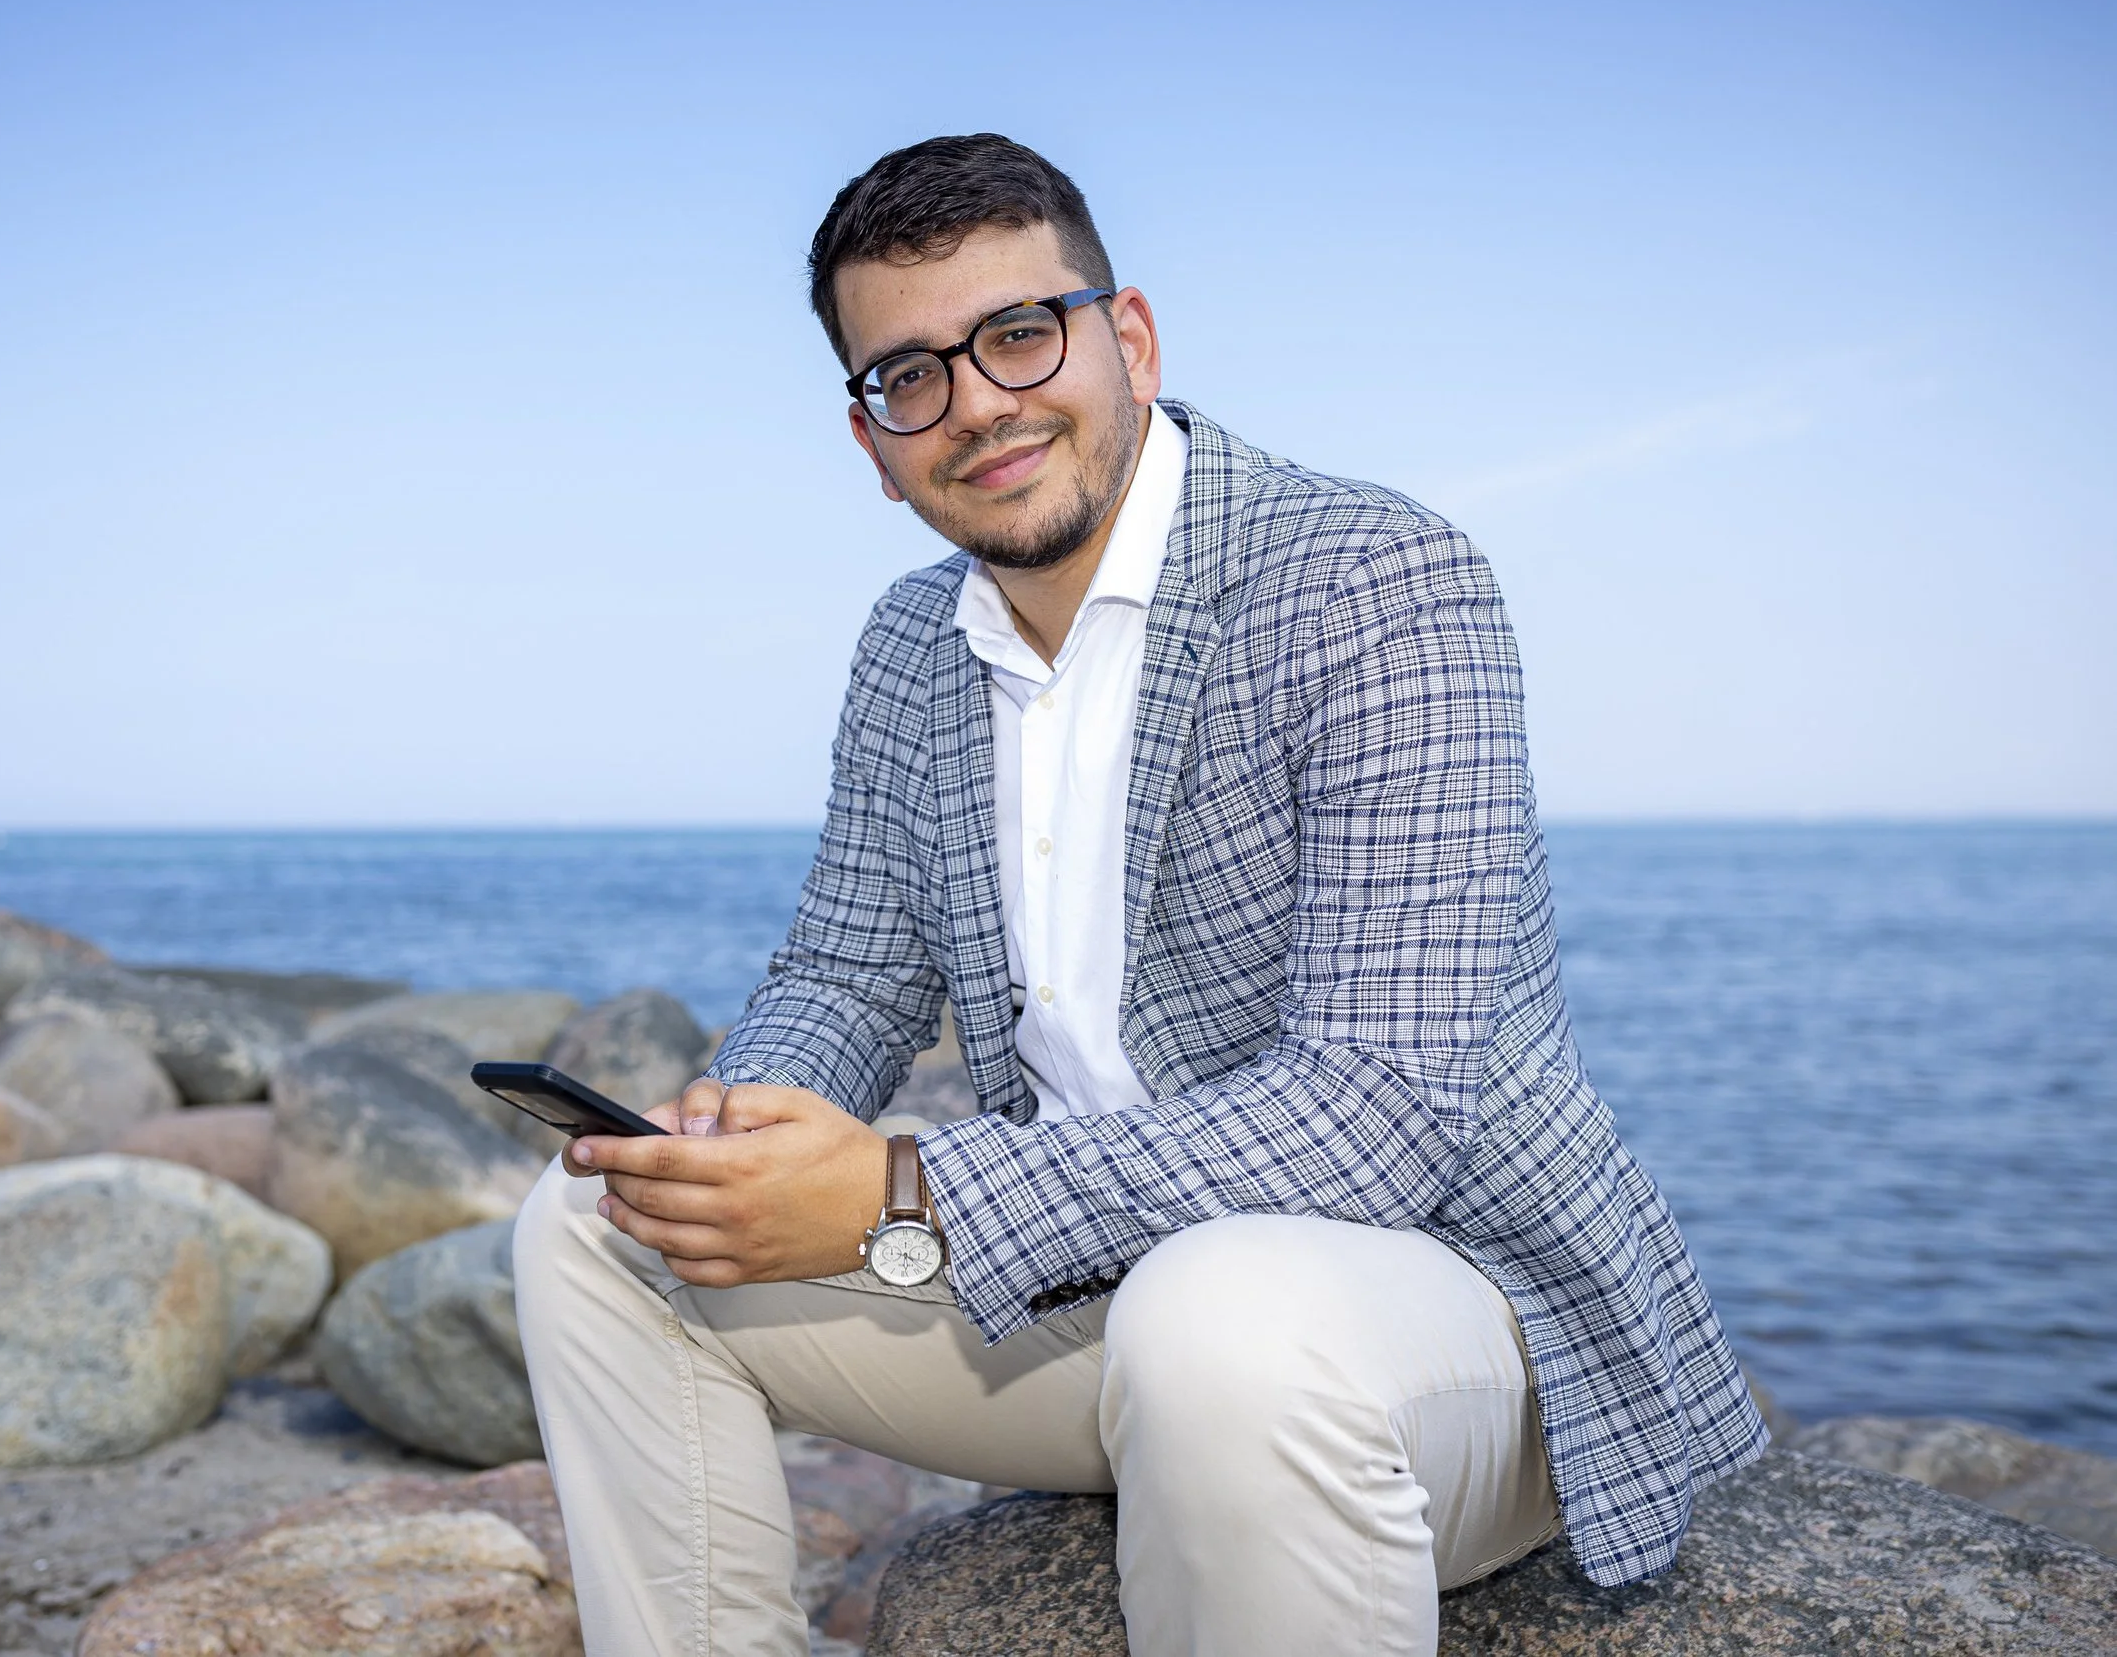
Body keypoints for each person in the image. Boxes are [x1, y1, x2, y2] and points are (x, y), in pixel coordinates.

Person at [512, 132, 1765, 1657]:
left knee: (1217, 1319)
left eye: (1019, 333)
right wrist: (739, 1137)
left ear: (1132, 336)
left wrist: (902, 1193)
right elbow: (844, 973)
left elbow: (1375, 1113)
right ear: (870, 436)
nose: (977, 403)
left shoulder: (1381, 583)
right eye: (910, 375)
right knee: (596, 1236)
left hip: (1455, 1329)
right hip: (1085, 1302)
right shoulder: (911, 649)